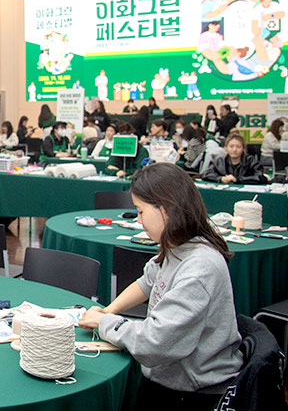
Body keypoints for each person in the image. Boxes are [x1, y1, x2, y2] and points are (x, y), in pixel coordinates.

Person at [78, 163, 242, 411]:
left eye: (141, 211)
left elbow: (155, 343)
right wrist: (108, 311)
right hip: (170, 377)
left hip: (192, 392)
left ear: (166, 210)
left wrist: (104, 323)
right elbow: (146, 282)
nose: (139, 219)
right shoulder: (178, 245)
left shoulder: (199, 268)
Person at [202, 133, 267, 184]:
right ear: (226, 148)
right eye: (231, 146)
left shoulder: (251, 161)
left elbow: (260, 177)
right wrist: (220, 179)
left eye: (238, 147)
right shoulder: (219, 161)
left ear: (243, 149)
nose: (234, 149)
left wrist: (237, 179)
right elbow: (206, 174)